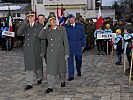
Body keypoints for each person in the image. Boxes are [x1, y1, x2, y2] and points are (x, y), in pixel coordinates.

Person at [38, 16, 69, 94]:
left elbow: (66, 42)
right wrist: (45, 27)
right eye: (51, 20)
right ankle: (50, 86)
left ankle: (62, 80)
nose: (53, 21)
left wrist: (67, 53)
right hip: (51, 53)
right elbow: (40, 36)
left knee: (61, 69)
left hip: (60, 52)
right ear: (49, 22)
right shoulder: (47, 30)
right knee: (50, 70)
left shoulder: (62, 29)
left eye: (54, 20)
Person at [17, 11, 44, 90]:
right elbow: (19, 33)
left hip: (36, 49)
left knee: (37, 65)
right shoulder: (25, 26)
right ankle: (29, 83)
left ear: (34, 17)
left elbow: (43, 38)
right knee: (29, 66)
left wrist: (43, 50)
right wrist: (24, 23)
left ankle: (39, 77)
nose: (30, 18)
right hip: (28, 49)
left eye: (32, 17)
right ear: (27, 18)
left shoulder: (39, 26)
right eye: (29, 17)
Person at [65, 14, 86, 81]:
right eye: (70, 19)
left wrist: (83, 45)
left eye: (73, 19)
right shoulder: (66, 27)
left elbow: (83, 36)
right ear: (68, 20)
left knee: (78, 60)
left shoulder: (80, 26)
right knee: (70, 61)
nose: (71, 20)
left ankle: (78, 70)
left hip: (78, 45)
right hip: (69, 46)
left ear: (75, 19)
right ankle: (71, 75)